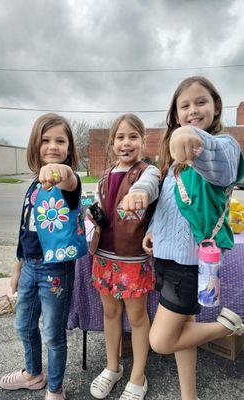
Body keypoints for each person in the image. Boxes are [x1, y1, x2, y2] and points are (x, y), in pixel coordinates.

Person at [123, 76, 244, 400]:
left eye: (200, 102)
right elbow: (168, 206)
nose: (193, 109)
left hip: (188, 266)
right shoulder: (175, 163)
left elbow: (219, 164)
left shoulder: (224, 148)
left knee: (161, 340)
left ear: (216, 106)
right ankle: (189, 396)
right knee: (183, 333)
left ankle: (228, 326)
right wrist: (152, 232)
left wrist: (192, 136)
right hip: (165, 259)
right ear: (175, 113)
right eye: (185, 105)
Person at [0, 113, 87, 400]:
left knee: (52, 333)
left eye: (60, 141)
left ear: (69, 148)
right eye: (46, 140)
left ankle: (55, 388)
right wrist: (16, 269)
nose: (53, 146)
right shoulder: (33, 185)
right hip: (28, 269)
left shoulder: (68, 184)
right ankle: (33, 374)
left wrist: (63, 173)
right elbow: (24, 230)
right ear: (34, 145)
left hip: (55, 272)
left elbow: (71, 182)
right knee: (23, 325)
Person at [89, 113, 159, 400]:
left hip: (132, 260)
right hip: (103, 256)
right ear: (112, 143)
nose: (126, 142)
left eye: (133, 136)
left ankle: (138, 376)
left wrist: (139, 193)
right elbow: (98, 204)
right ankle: (112, 367)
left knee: (138, 317)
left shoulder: (149, 172)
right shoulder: (104, 176)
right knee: (110, 313)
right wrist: (92, 214)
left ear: (143, 141)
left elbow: (149, 189)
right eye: (120, 137)